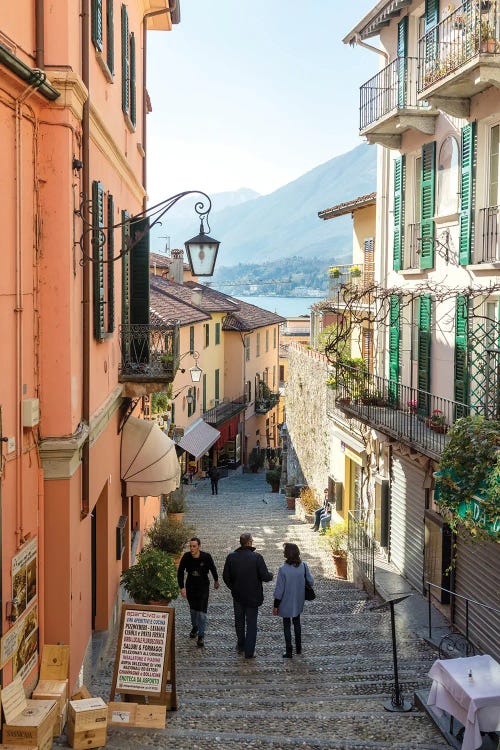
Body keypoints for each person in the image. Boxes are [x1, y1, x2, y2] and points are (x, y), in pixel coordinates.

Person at [223, 532, 273, 658]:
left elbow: (225, 576)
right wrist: (271, 575)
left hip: (238, 596)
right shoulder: (257, 557)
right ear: (250, 542)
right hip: (253, 596)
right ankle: (249, 652)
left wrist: (233, 588)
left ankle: (241, 645)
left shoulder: (231, 557)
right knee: (251, 624)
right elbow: (265, 576)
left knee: (239, 621)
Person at [273, 542, 314, 658]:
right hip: (298, 601)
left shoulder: (283, 569)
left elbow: (279, 590)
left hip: (285, 602)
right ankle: (299, 649)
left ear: (287, 554)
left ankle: (289, 651)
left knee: (286, 625)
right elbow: (311, 582)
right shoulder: (304, 566)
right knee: (297, 623)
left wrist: (275, 606)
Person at [177, 537, 219, 648]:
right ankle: (195, 627)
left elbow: (213, 568)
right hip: (190, 586)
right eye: (190, 546)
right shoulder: (186, 557)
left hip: (203, 586)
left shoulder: (206, 557)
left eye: (194, 546)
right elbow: (180, 572)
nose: (191, 548)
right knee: (193, 611)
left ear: (199, 546)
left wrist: (216, 580)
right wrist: (182, 588)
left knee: (201, 612)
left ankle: (201, 636)